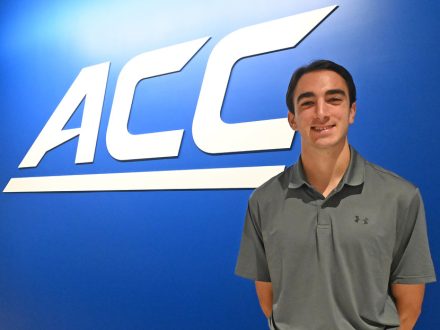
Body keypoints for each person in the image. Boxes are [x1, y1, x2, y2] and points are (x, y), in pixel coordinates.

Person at [235, 60, 436, 330]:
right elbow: (269, 300)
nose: (321, 112)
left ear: (352, 111)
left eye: (334, 100)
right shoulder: (263, 200)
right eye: (307, 103)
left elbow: (409, 309)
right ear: (292, 119)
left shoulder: (400, 196)